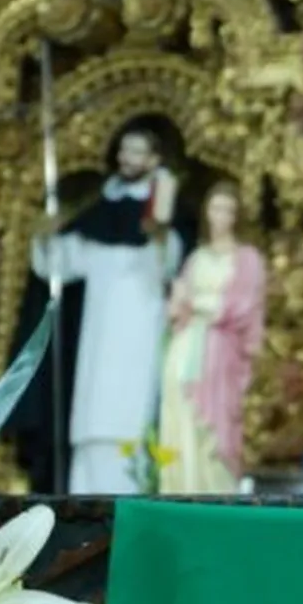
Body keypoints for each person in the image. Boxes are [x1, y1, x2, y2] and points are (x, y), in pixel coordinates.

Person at [29, 129, 184, 495]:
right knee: (93, 426)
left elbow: (171, 264)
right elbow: (59, 263)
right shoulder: (97, 211)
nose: (127, 158)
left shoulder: (162, 216)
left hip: (141, 336)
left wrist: (160, 233)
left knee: (134, 423)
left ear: (154, 160)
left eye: (137, 151)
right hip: (97, 347)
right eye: (124, 150)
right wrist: (44, 236)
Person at [159, 183, 267, 495]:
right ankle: (180, 489)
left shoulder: (246, 259)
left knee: (215, 424)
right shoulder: (196, 258)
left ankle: (213, 489)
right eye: (216, 208)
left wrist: (200, 304)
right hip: (185, 347)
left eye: (228, 210)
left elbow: (245, 305)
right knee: (180, 417)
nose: (221, 217)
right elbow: (180, 306)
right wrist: (178, 305)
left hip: (220, 349)